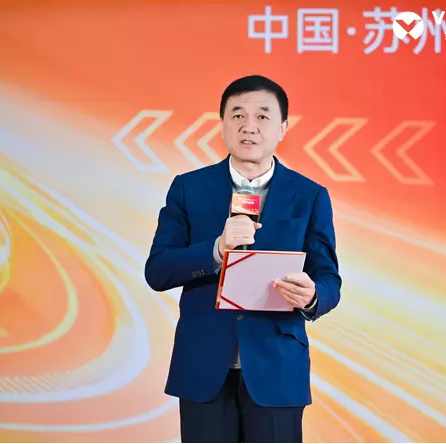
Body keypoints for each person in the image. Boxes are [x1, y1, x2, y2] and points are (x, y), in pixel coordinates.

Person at [144, 74, 342, 443]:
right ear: (222, 124)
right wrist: (216, 250)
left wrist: (313, 296)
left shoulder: (309, 195)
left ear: (282, 128)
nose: (249, 126)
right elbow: (158, 270)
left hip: (276, 367)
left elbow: (329, 278)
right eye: (237, 115)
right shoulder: (189, 188)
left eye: (263, 116)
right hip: (203, 364)